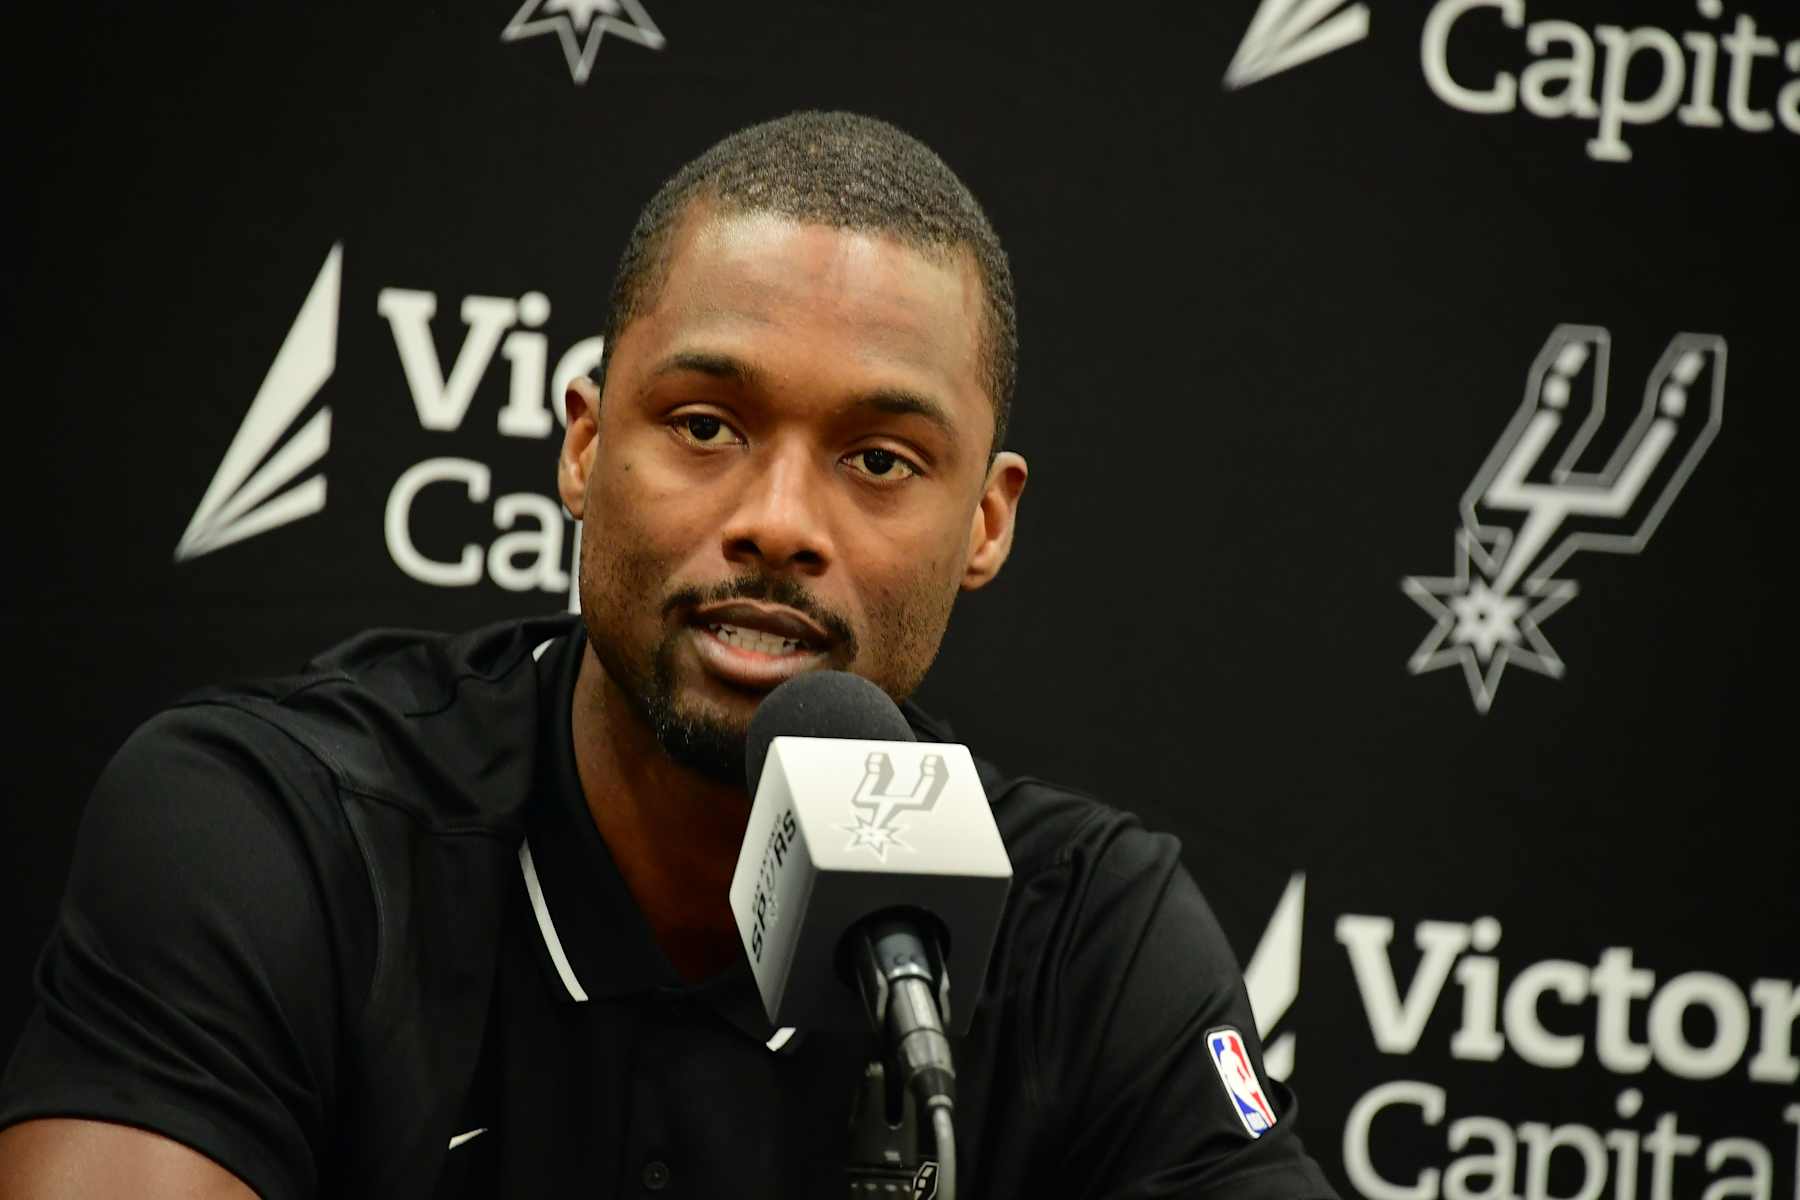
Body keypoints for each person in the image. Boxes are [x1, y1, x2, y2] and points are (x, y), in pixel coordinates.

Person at [0, 111, 1339, 1199]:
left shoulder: (1086, 934)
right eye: (706, 426)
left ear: (983, 522)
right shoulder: (274, 828)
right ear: (584, 445)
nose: (776, 523)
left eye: (880, 460)